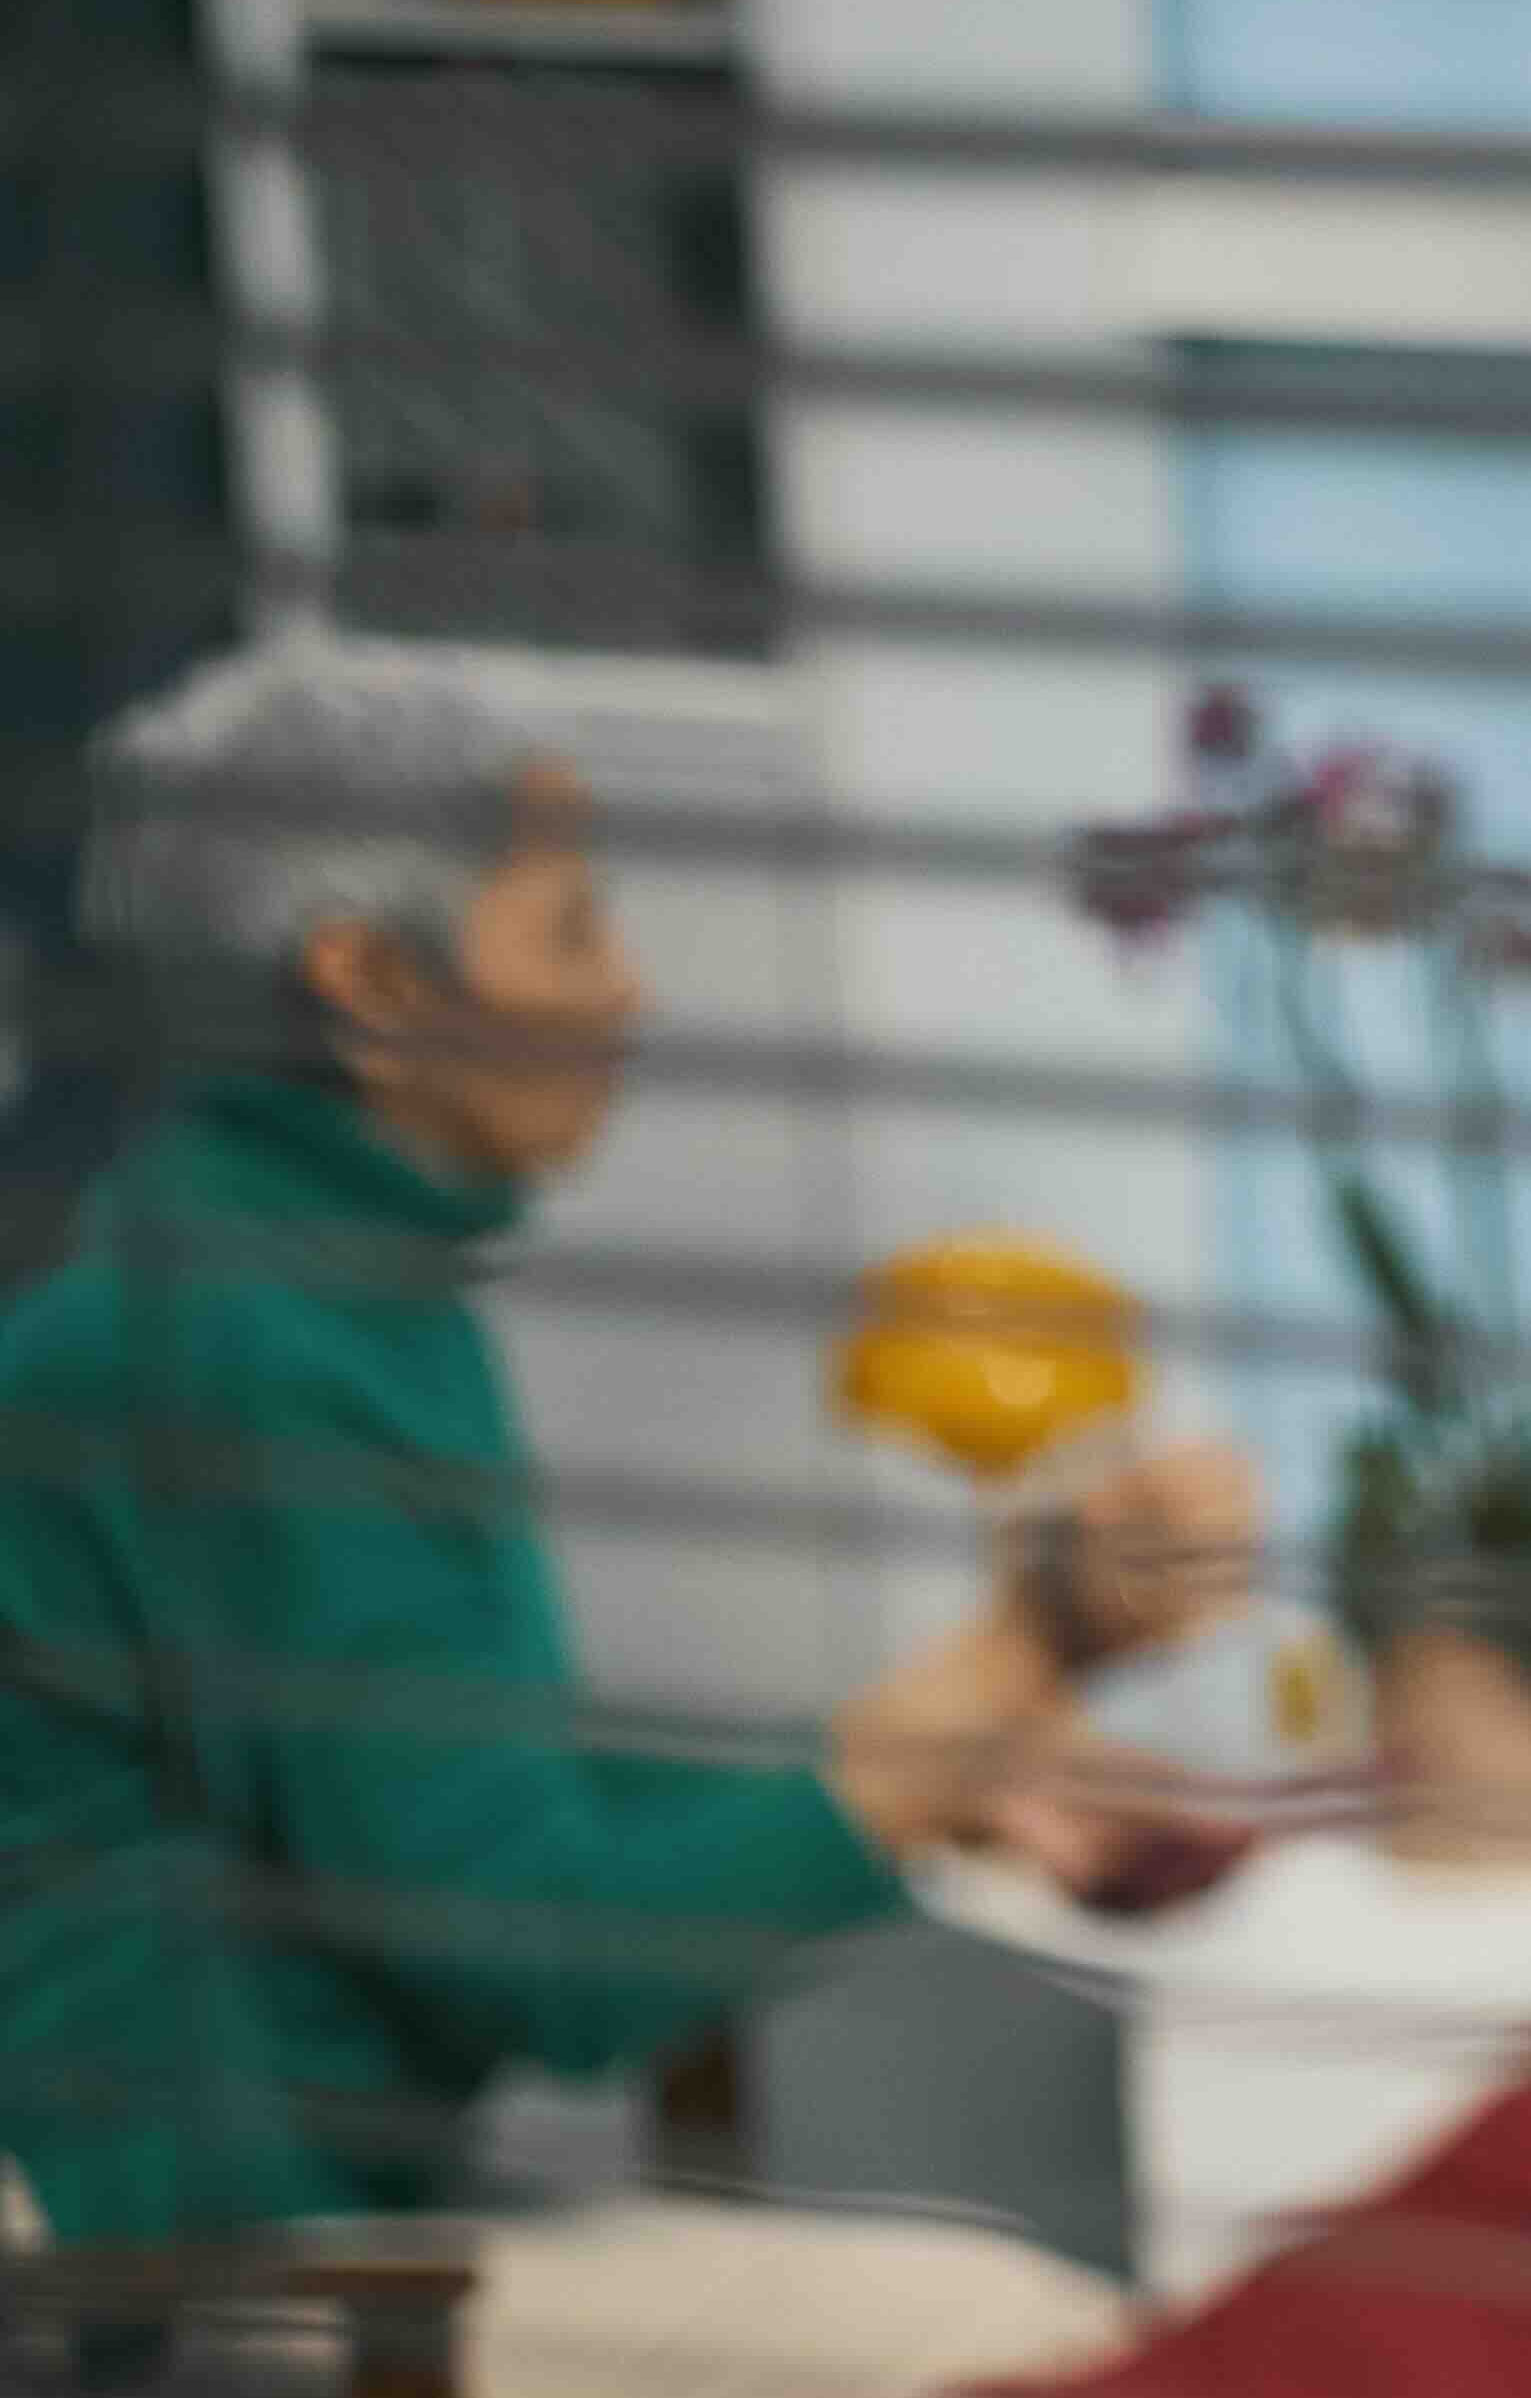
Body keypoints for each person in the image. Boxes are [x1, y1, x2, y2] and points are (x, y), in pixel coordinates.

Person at [0, 647, 1254, 2255]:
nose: (628, 991)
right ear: (376, 986)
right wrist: (1019, 1655)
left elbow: (441, 1791)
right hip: (218, 2304)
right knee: (988, 2342)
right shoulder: (245, 1344)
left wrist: (942, 1787)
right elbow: (543, 1956)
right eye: (574, 930)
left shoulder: (300, 1277)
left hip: (320, 2232)